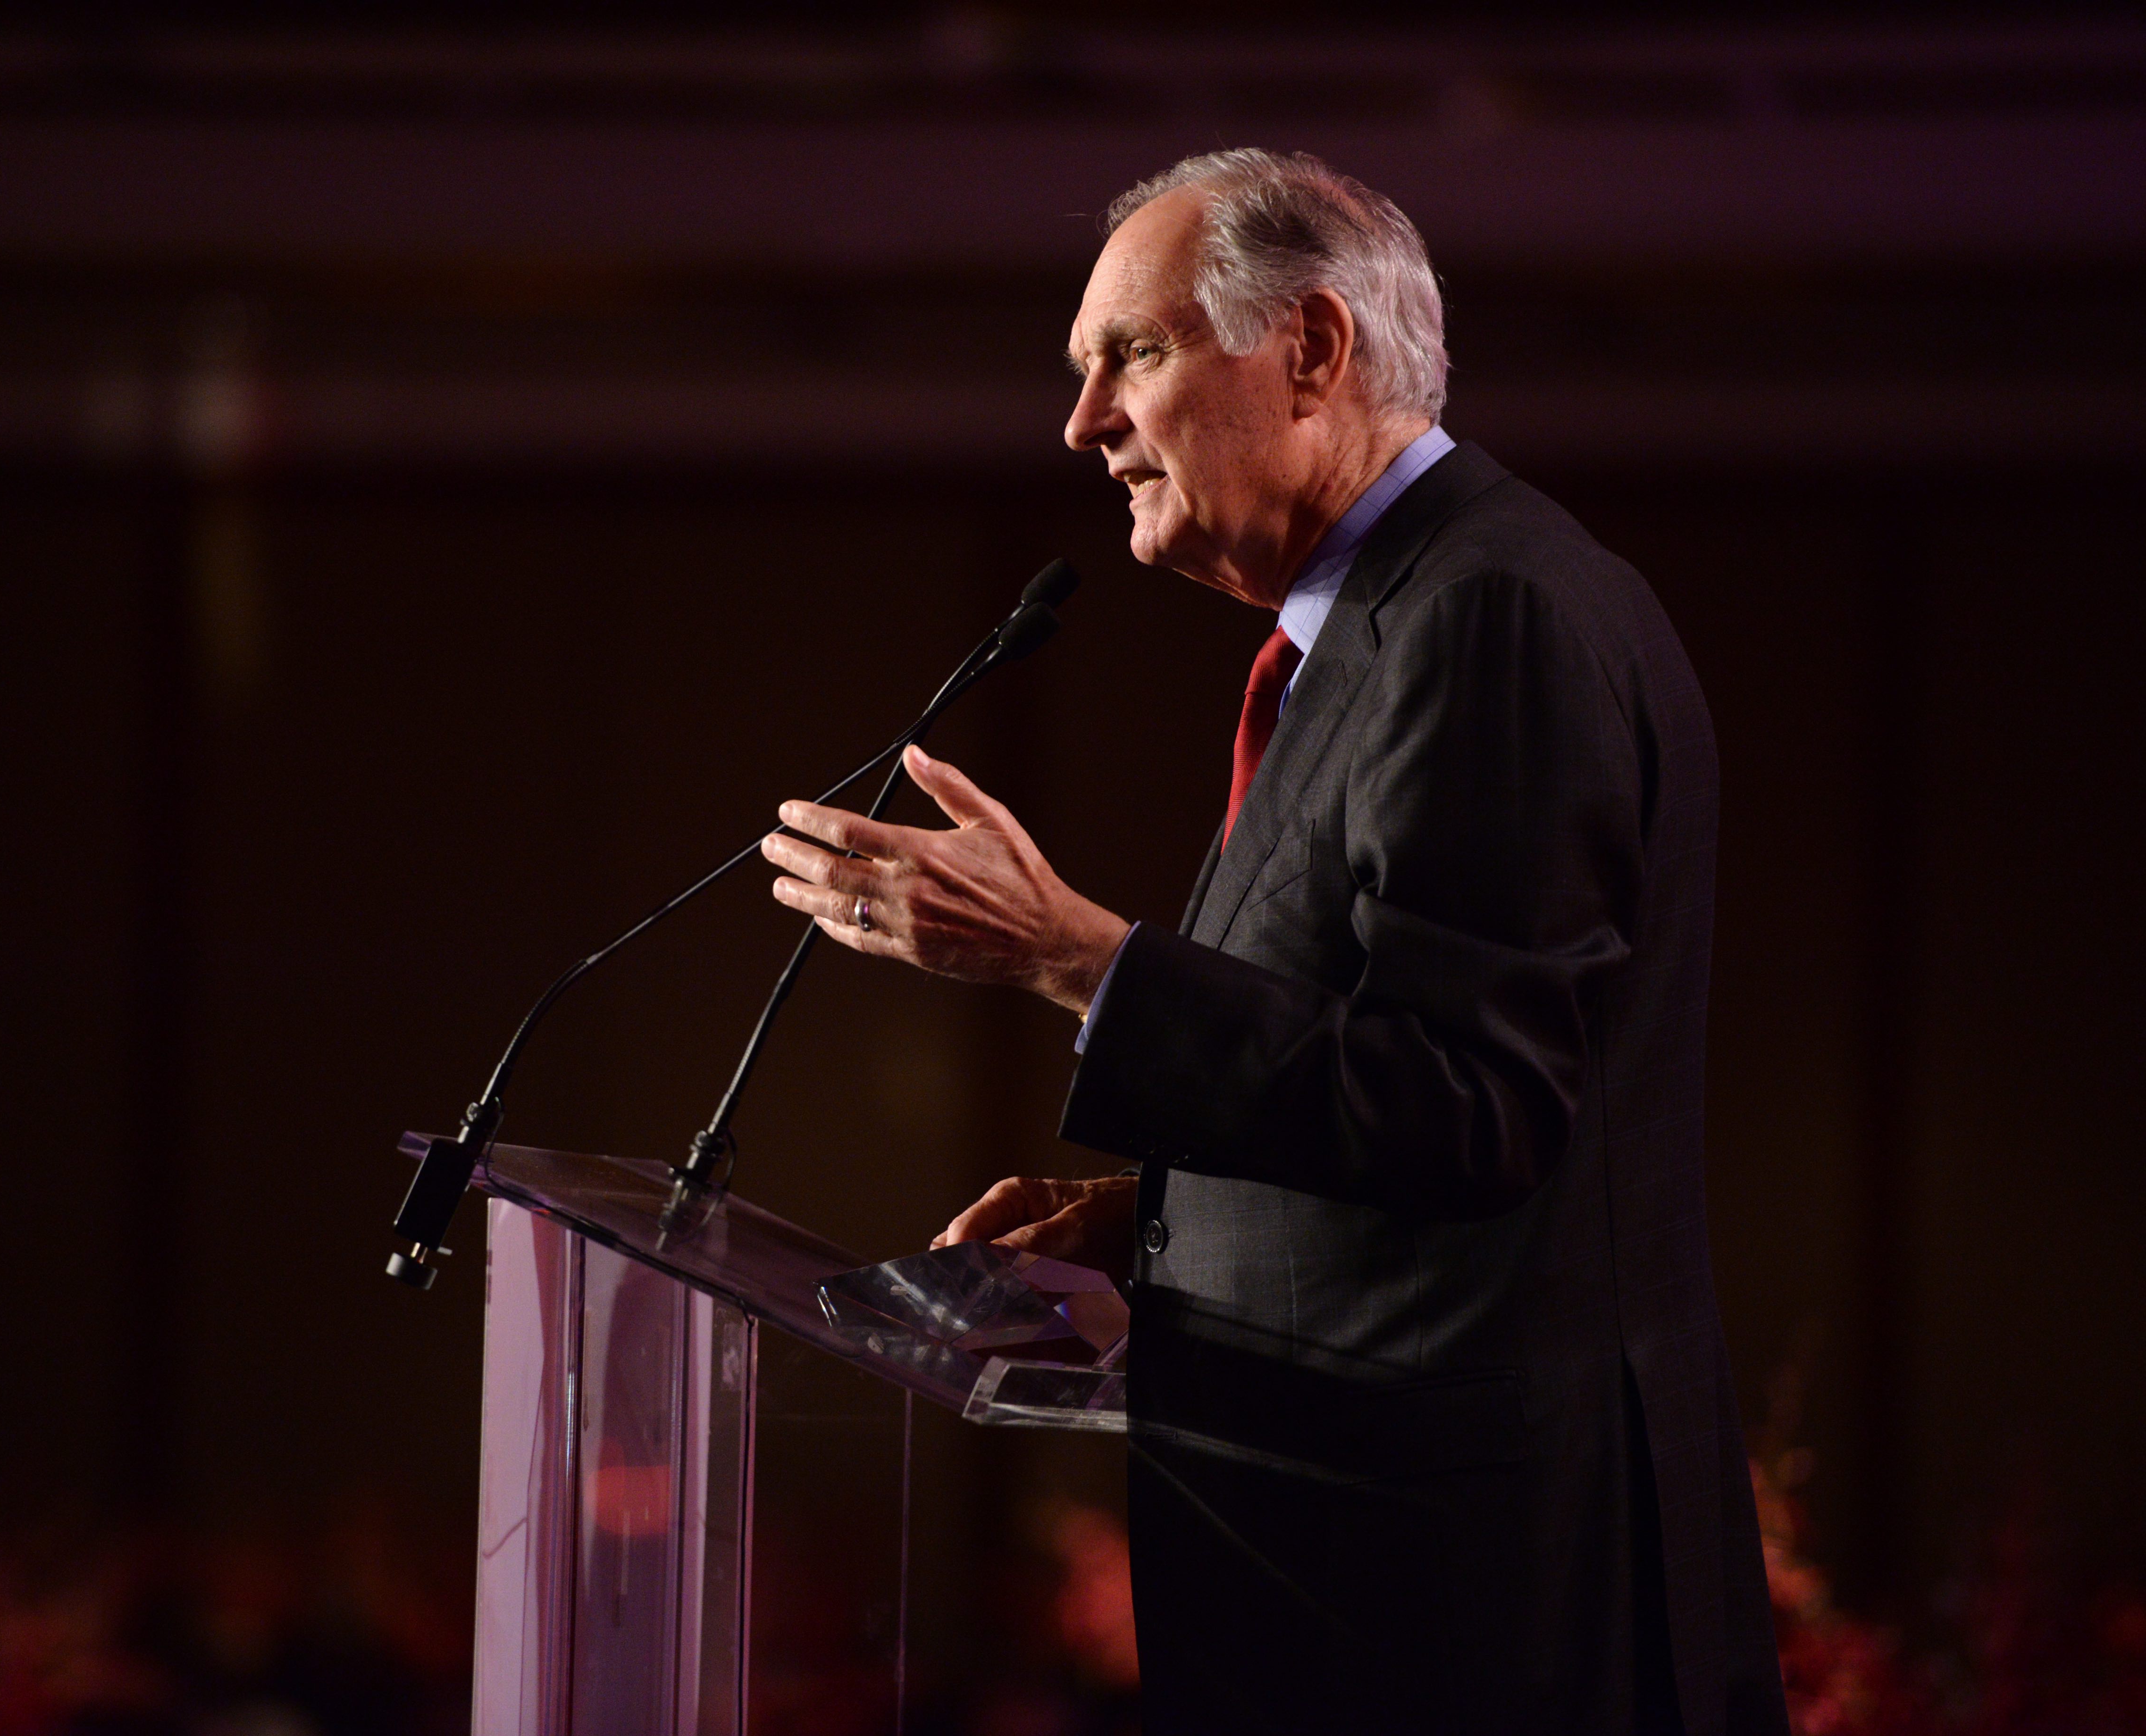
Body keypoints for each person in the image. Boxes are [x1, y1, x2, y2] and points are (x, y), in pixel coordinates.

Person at [759, 150, 1787, 1734]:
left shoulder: (1487, 613)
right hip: (1392, 1593)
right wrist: (1157, 1211)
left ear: (1310, 349)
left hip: (1464, 1619)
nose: (1084, 423)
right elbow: (1407, 1085)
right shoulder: (1382, 629)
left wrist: (1074, 958)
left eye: (1134, 355)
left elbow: (1480, 1108)